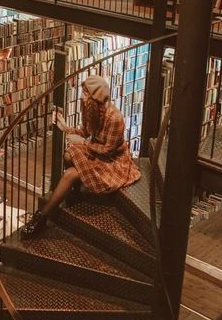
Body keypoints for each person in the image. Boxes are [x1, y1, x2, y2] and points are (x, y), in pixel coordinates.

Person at [21, 75, 141, 239]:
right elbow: (85, 132)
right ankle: (75, 191)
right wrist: (66, 128)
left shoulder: (115, 118)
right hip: (95, 151)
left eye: (86, 93)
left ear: (96, 96)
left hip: (113, 162)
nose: (82, 96)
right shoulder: (91, 109)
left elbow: (107, 150)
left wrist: (83, 142)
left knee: (70, 174)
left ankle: (41, 217)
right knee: (68, 155)